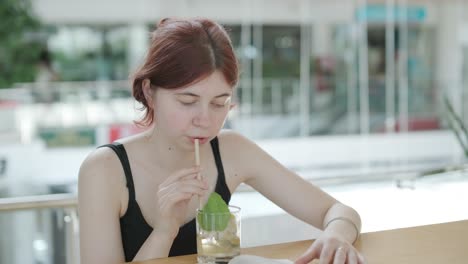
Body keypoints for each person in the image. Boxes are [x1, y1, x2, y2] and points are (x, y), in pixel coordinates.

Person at [78, 17, 365, 264]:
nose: (205, 120)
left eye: (219, 103)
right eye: (188, 101)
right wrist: (165, 230)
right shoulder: (104, 170)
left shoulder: (231, 151)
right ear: (150, 92)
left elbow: (339, 212)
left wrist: (336, 235)